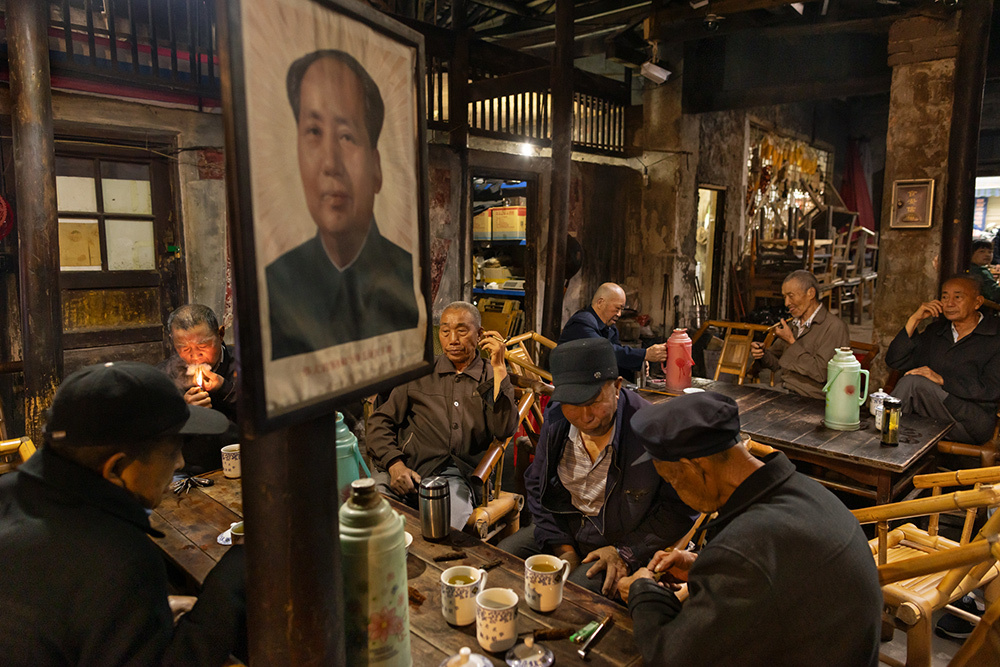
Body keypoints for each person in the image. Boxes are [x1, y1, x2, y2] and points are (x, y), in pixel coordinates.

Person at [0, 361, 247, 666]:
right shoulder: (120, 559)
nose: (181, 463)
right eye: (171, 452)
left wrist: (139, 613)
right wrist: (227, 588)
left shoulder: (9, 493)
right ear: (116, 469)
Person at [616, 392, 881, 666]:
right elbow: (779, 574)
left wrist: (643, 592)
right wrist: (705, 567)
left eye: (670, 479)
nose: (673, 487)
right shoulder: (803, 491)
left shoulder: (746, 550)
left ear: (695, 467)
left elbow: (670, 657)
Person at [498, 338, 697, 598]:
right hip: (566, 528)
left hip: (624, 540)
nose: (584, 416)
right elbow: (538, 485)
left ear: (616, 387)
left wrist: (626, 552)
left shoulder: (651, 431)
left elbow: (681, 508)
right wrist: (564, 548)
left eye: (593, 401)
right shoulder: (558, 418)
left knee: (576, 595)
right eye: (572, 403)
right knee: (500, 564)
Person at [266, 49, 419, 359]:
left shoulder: (407, 277)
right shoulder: (275, 285)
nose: (330, 164)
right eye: (313, 132)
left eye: (347, 136)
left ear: (376, 167)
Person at [366, 301, 517, 530]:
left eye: (462, 331)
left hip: (456, 480)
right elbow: (380, 421)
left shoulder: (490, 374)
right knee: (372, 515)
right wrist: (394, 463)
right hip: (408, 468)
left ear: (480, 334)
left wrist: (499, 369)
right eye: (445, 331)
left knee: (443, 531)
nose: (453, 340)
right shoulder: (422, 371)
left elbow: (504, 429)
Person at [886, 275, 1000, 445]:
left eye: (958, 297)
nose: (949, 303)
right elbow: (896, 361)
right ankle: (887, 439)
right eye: (945, 297)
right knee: (912, 382)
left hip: (972, 420)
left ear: (977, 302)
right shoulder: (937, 331)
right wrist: (914, 320)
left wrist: (943, 380)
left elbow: (992, 389)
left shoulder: (994, 336)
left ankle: (882, 434)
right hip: (935, 413)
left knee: (913, 383)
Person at [750, 269, 850, 398]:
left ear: (810, 293)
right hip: (784, 390)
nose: (786, 303)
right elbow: (777, 365)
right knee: (734, 399)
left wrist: (791, 342)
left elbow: (821, 374)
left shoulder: (834, 327)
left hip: (810, 399)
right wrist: (762, 353)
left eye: (791, 296)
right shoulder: (795, 324)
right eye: (784, 297)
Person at [559, 283, 666, 382]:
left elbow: (616, 360)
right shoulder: (582, 323)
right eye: (617, 308)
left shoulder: (610, 328)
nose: (619, 314)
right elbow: (605, 352)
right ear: (600, 302)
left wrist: (638, 365)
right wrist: (644, 354)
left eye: (621, 310)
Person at [160, 304, 237, 422]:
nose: (195, 356)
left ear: (220, 334)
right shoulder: (164, 375)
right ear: (173, 341)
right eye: (184, 349)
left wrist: (225, 389)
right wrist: (183, 410)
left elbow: (262, 413)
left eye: (202, 346)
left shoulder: (246, 363)